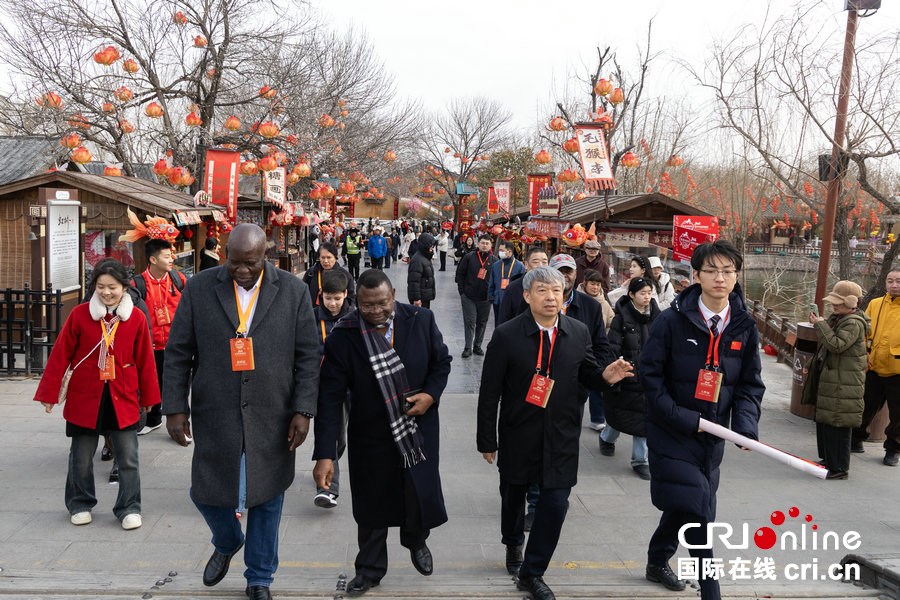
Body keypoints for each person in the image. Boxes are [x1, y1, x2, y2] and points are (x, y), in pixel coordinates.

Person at [162, 224, 321, 600]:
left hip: (273, 409)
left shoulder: (294, 291)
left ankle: (259, 577)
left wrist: (303, 409)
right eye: (235, 262)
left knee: (268, 494)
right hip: (215, 407)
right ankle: (227, 539)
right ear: (225, 254)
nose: (243, 270)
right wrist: (173, 408)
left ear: (266, 254)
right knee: (204, 490)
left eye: (250, 262)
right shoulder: (200, 288)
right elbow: (178, 352)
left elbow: (309, 356)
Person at [477, 266, 633, 600]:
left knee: (556, 503)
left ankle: (533, 572)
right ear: (527, 296)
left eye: (557, 291)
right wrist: (487, 439)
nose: (551, 297)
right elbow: (490, 392)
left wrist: (606, 376)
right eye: (543, 290)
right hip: (519, 431)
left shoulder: (577, 332)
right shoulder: (507, 335)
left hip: (562, 434)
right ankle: (513, 542)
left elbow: (587, 375)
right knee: (513, 496)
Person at [313, 269, 452, 597]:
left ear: (393, 295)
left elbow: (441, 363)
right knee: (372, 505)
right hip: (370, 433)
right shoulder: (343, 335)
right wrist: (324, 453)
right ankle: (370, 569)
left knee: (417, 493)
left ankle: (415, 540)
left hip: (416, 430)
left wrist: (431, 394)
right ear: (355, 300)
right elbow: (330, 397)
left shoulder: (421, 319)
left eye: (382, 303)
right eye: (366, 305)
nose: (375, 310)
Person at [640, 240, 764, 599]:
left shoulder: (744, 326)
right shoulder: (671, 320)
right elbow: (650, 378)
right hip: (671, 432)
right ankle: (711, 591)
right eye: (711, 271)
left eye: (727, 271)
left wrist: (745, 427)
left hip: (712, 438)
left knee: (686, 505)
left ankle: (656, 558)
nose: (720, 278)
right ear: (696, 275)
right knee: (698, 510)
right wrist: (681, 417)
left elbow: (750, 385)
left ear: (736, 275)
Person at [34, 258, 160, 530]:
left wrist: (150, 398)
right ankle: (80, 503)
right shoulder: (80, 315)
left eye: (112, 287)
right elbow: (61, 354)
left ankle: (129, 507)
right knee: (80, 457)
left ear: (124, 287)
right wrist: (49, 393)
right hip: (85, 396)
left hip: (123, 396)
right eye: (101, 287)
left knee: (128, 457)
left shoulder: (136, 317)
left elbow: (145, 360)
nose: (106, 292)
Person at [803, 281, 869, 479]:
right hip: (835, 379)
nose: (834, 305)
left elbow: (836, 345)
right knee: (826, 422)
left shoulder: (854, 323)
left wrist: (820, 324)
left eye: (838, 302)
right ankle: (829, 460)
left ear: (851, 302)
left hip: (844, 382)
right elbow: (825, 348)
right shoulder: (838, 318)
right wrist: (811, 365)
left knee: (838, 424)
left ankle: (839, 468)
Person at [600, 277, 661, 480]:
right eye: (642, 293)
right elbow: (613, 345)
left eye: (649, 292)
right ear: (631, 295)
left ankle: (640, 461)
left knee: (643, 420)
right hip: (627, 374)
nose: (647, 297)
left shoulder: (658, 317)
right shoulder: (621, 317)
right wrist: (616, 368)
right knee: (621, 415)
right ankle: (606, 437)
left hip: (650, 375)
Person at [130, 238, 187, 437]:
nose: (172, 258)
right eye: (167, 256)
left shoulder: (179, 279)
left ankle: (181, 423)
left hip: (175, 345)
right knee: (150, 382)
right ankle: (153, 420)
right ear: (153, 260)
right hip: (149, 345)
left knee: (176, 384)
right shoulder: (137, 284)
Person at [312, 270, 353, 508]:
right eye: (329, 298)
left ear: (346, 294)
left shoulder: (355, 319)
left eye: (337, 298)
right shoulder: (311, 318)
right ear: (321, 296)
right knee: (331, 432)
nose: (333, 303)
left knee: (342, 439)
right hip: (323, 387)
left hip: (350, 386)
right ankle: (328, 488)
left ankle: (328, 463)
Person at [852, 268, 900, 467]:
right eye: (890, 281)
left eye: (898, 281)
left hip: (897, 370)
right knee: (864, 406)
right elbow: (864, 330)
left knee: (898, 415)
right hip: (873, 365)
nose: (894, 285)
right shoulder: (876, 303)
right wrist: (865, 352)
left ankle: (893, 449)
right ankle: (856, 439)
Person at [455, 234, 495, 358]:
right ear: (478, 244)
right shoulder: (469, 257)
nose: (484, 245)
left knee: (482, 322)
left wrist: (492, 295)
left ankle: (477, 345)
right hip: (469, 296)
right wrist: (462, 292)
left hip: (485, 298)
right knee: (470, 322)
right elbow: (460, 275)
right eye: (482, 243)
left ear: (490, 246)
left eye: (487, 243)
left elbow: (497, 279)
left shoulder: (494, 260)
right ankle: (468, 347)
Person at [497, 246, 549, 325]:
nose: (541, 266)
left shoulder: (551, 287)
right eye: (535, 262)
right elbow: (504, 318)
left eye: (544, 262)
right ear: (526, 265)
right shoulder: (513, 288)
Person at [303, 242, 356, 307]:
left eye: (329, 257)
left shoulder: (345, 275)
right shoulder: (311, 273)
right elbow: (303, 294)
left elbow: (351, 299)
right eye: (322, 257)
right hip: (313, 313)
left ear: (335, 258)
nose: (325, 261)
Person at [488, 240, 525, 324]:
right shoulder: (496, 265)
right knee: (498, 323)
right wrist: (491, 296)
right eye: (500, 250)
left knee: (511, 323)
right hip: (498, 299)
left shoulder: (520, 266)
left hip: (513, 300)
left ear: (510, 251)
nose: (500, 252)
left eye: (502, 250)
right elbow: (491, 282)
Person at [408, 232, 437, 308]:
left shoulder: (425, 257)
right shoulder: (418, 260)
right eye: (431, 246)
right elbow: (414, 281)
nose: (432, 248)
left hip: (425, 296)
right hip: (420, 298)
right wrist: (416, 298)